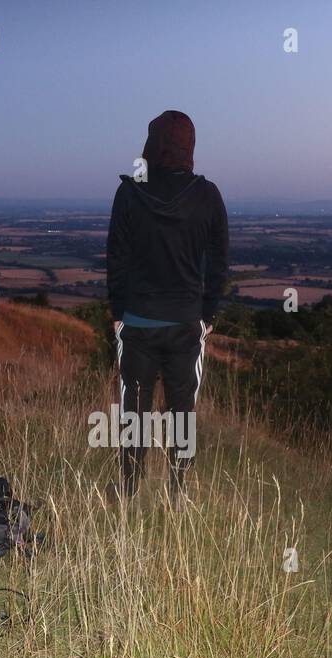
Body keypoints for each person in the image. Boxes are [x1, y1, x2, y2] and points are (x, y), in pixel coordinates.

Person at [107, 110, 229, 503]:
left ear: (152, 143)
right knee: (182, 411)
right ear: (189, 146)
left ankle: (128, 489)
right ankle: (178, 492)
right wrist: (208, 315)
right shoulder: (207, 195)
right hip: (186, 324)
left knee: (134, 409)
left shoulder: (129, 193)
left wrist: (117, 314)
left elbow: (117, 258)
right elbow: (219, 261)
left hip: (138, 322)